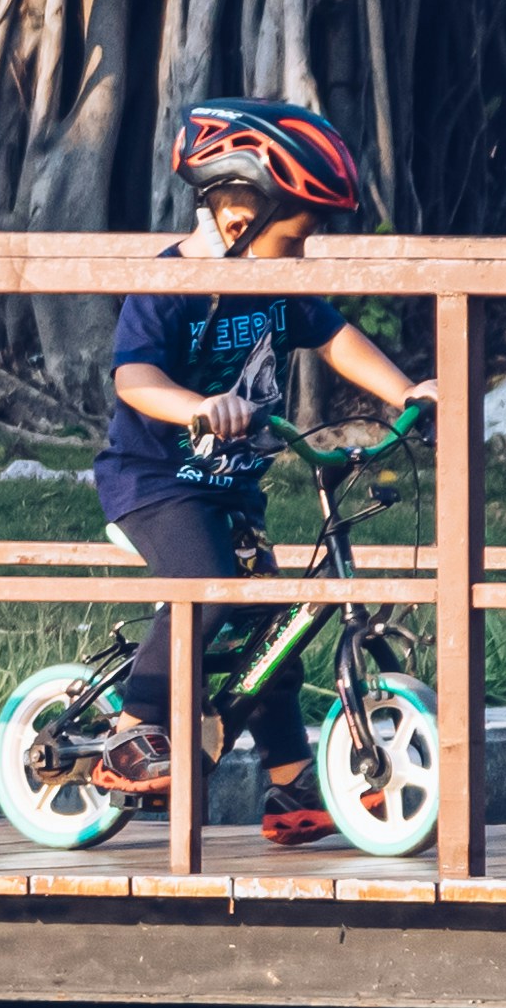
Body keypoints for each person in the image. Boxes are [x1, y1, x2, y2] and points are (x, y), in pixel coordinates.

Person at [97, 98, 436, 845]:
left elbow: (337, 335)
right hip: (154, 484)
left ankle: (289, 787)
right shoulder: (170, 284)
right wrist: (195, 406)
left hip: (230, 489)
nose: (304, 253)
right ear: (236, 217)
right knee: (211, 593)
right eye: (298, 236)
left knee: (274, 637)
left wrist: (406, 391)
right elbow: (133, 378)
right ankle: (128, 731)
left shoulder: (276, 283)